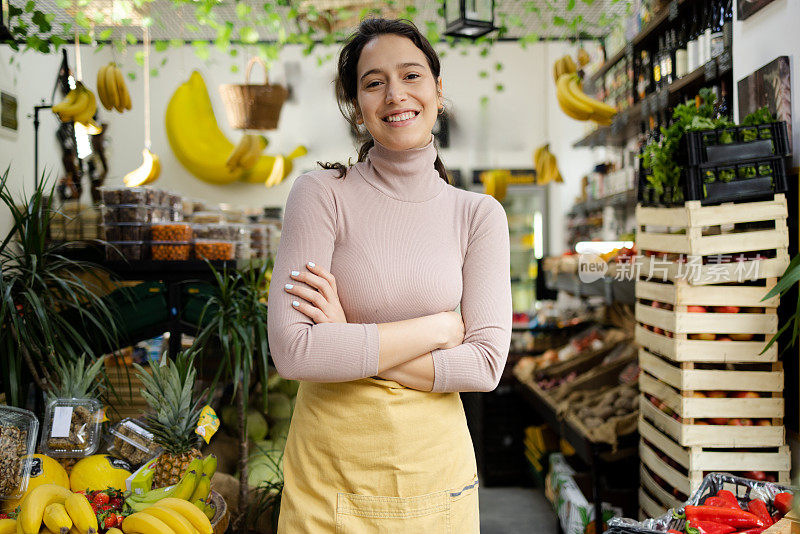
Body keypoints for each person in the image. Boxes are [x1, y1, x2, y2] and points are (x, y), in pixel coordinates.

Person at [266, 17, 512, 533]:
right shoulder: (321, 194)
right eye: (373, 82)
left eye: (411, 76)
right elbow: (293, 352)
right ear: (357, 109)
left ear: (438, 91)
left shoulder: (478, 215)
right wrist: (439, 330)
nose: (395, 94)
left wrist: (343, 341)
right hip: (330, 478)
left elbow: (486, 366)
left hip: (435, 476)